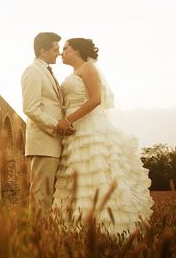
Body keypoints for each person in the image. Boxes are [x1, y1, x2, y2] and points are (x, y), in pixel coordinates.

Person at [52, 38, 153, 235]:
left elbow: (96, 99)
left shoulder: (88, 68)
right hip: (74, 131)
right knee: (78, 176)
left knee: (96, 173)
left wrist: (69, 119)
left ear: (78, 51)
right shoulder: (74, 73)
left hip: (88, 127)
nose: (62, 52)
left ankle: (107, 229)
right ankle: (78, 228)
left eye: (66, 48)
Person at [21, 32, 74, 214]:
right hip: (43, 144)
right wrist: (57, 125)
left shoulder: (46, 71)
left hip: (52, 144)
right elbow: (30, 108)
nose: (58, 53)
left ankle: (45, 236)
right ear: (43, 50)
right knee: (40, 195)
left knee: (48, 197)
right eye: (55, 49)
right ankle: (36, 238)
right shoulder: (33, 71)